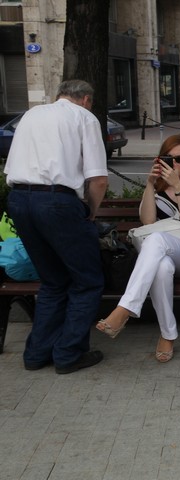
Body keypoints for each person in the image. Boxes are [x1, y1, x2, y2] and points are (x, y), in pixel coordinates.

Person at [4, 79, 108, 374]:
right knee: (87, 280)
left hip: (19, 199)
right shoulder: (84, 117)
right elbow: (99, 179)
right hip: (57, 202)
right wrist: (90, 212)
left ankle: (37, 353)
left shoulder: (32, 114)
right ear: (86, 99)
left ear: (59, 95)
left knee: (52, 281)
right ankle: (69, 354)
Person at [95, 135, 180, 362]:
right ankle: (168, 334)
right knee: (162, 267)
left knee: (156, 239)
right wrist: (149, 184)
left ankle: (125, 309)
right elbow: (147, 220)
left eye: (179, 159)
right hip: (161, 254)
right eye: (168, 158)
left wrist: (178, 188)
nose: (174, 164)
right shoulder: (156, 187)